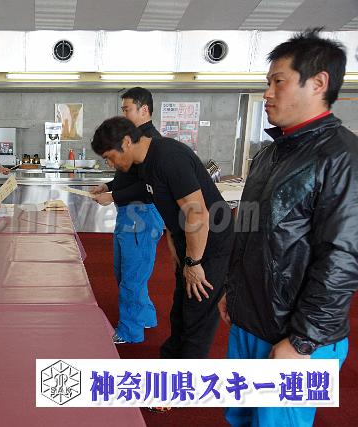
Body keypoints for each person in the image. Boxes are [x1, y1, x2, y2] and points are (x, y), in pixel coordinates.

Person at [220, 28, 357, 427]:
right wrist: (233, 292)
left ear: (318, 83)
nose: (267, 93)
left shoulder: (342, 157)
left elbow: (343, 258)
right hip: (251, 322)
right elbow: (248, 231)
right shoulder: (269, 155)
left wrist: (302, 341)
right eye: (268, 82)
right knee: (240, 417)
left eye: (278, 82)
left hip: (297, 337)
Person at [91, 116, 234, 359]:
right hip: (188, 241)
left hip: (209, 244)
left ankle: (187, 374)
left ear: (126, 142)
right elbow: (160, 199)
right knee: (180, 312)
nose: (110, 163)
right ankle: (171, 362)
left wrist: (194, 262)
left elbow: (198, 214)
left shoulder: (169, 157)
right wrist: (175, 243)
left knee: (196, 317)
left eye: (109, 157)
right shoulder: (145, 163)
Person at [89, 87, 164, 344]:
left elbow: (150, 186)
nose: (123, 115)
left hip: (141, 214)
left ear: (144, 110)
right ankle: (146, 316)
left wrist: (113, 196)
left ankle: (130, 331)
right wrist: (108, 186)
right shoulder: (133, 139)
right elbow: (129, 176)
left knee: (132, 276)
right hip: (130, 214)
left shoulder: (151, 143)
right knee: (128, 272)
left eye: (127, 109)